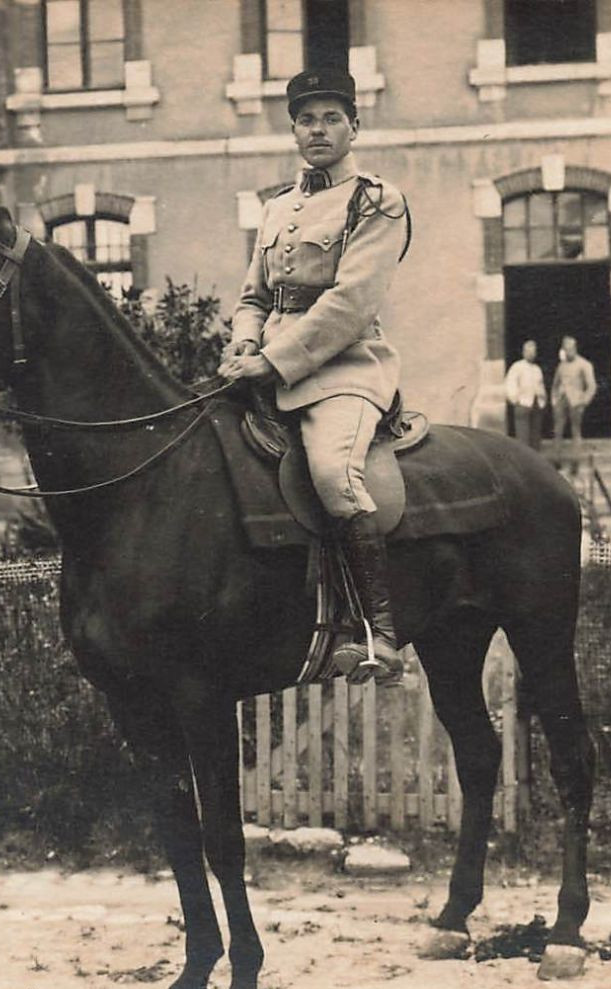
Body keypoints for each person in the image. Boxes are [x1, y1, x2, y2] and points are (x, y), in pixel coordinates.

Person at [219, 68, 411, 686]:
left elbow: (350, 304)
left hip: (343, 368)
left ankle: (379, 636)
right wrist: (244, 342)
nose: (318, 130)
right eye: (306, 119)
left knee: (333, 473)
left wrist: (273, 361)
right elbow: (253, 296)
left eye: (331, 118)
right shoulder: (278, 207)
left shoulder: (377, 201)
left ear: (355, 126)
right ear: (293, 128)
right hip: (264, 365)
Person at [504, 339, 548, 450]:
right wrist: (515, 400)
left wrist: (543, 399)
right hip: (523, 403)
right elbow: (510, 383)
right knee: (523, 437)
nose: (531, 354)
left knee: (535, 436)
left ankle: (535, 461)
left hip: (536, 404)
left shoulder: (537, 369)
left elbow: (541, 385)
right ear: (523, 352)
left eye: (533, 352)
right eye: (528, 351)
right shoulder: (517, 366)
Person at [552, 335, 597, 440]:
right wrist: (554, 400)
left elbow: (592, 386)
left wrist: (584, 401)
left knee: (576, 430)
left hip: (576, 402)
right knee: (558, 430)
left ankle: (578, 453)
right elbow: (555, 384)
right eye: (566, 349)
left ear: (575, 348)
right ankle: (557, 453)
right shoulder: (561, 365)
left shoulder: (584, 364)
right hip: (561, 400)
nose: (569, 351)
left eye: (571, 348)